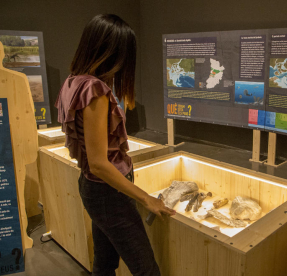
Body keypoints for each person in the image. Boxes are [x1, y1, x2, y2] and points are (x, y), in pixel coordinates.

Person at [55, 14, 175, 276]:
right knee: (146, 270)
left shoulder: (73, 81)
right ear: (112, 52)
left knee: (105, 262)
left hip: (93, 188)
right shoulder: (95, 90)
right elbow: (99, 164)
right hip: (107, 193)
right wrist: (145, 198)